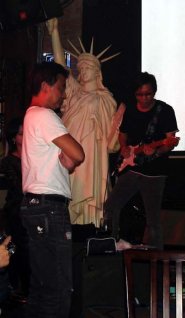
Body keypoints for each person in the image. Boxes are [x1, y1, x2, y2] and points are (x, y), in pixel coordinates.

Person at [20, 61, 85, 318]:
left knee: (42, 287)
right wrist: (73, 157)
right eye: (60, 87)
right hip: (49, 209)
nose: (64, 94)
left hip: (36, 207)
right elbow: (78, 153)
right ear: (46, 86)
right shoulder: (45, 116)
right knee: (58, 288)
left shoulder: (30, 116)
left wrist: (69, 161)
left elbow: (66, 160)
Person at [47, 17, 122, 226]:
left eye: (88, 67)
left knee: (90, 192)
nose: (83, 70)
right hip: (71, 151)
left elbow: (111, 135)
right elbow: (61, 68)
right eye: (80, 67)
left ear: (97, 72)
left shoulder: (106, 99)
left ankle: (91, 228)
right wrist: (54, 33)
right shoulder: (74, 94)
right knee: (71, 189)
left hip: (92, 155)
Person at [104, 72, 179, 250]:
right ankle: (111, 245)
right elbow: (123, 134)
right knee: (111, 206)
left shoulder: (165, 110)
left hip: (154, 172)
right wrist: (123, 147)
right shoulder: (130, 110)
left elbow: (170, 142)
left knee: (152, 218)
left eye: (148, 94)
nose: (145, 98)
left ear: (154, 92)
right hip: (131, 169)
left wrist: (156, 150)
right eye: (140, 94)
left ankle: (156, 259)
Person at [0, 117, 30, 299]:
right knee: (18, 250)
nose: (25, 136)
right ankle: (19, 289)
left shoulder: (34, 157)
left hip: (32, 211)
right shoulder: (8, 162)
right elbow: (19, 186)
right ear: (13, 138)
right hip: (16, 212)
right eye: (21, 133)